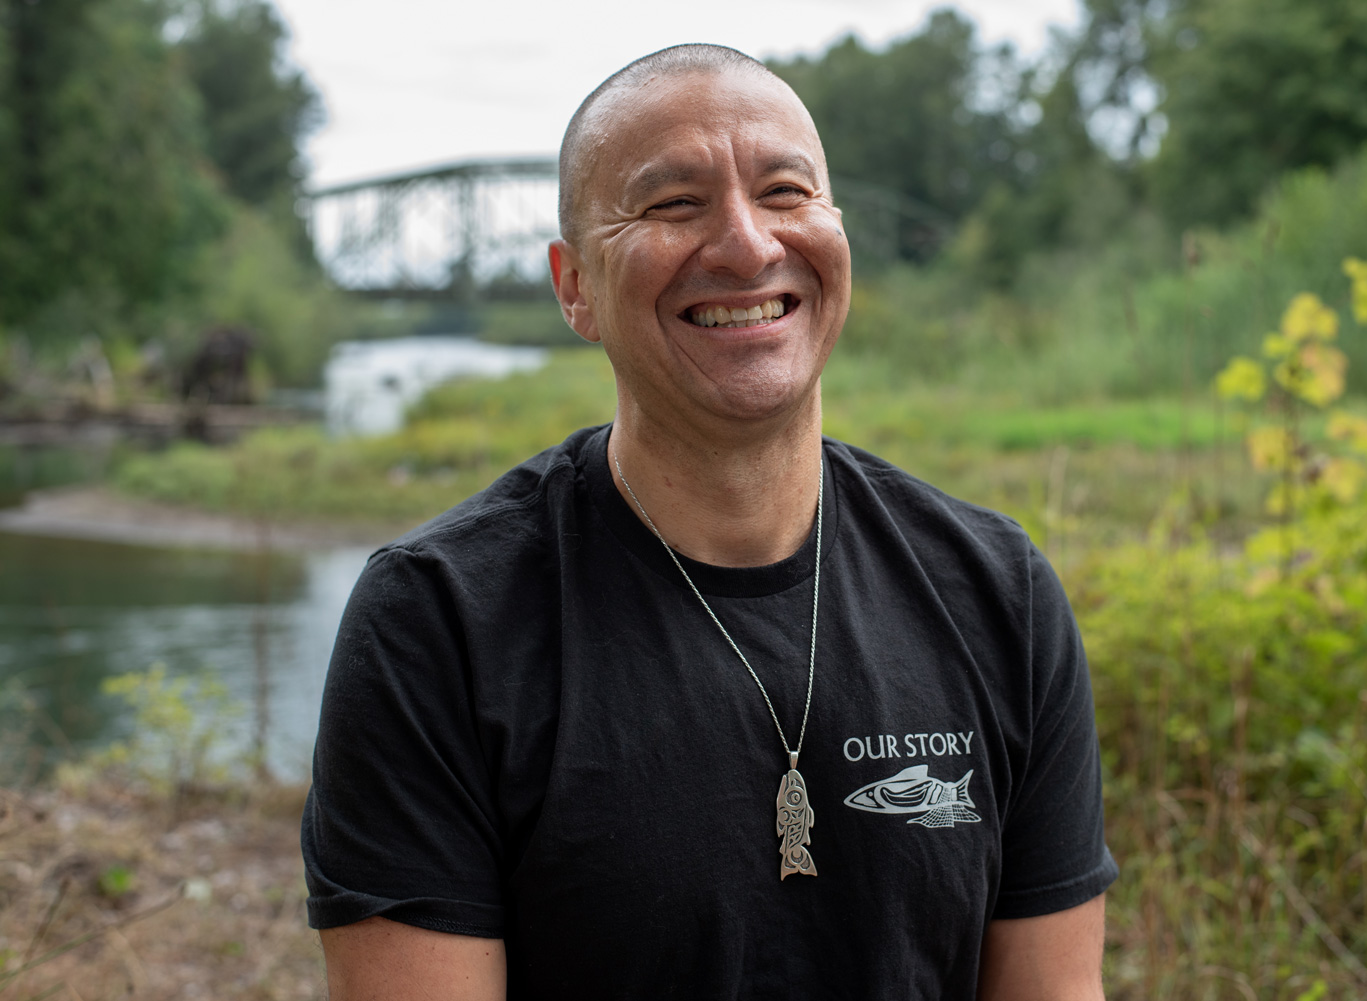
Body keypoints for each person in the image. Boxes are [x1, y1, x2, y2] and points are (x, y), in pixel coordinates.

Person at [302, 43, 1117, 1000]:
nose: (746, 244)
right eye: (674, 204)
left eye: (785, 192)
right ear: (574, 287)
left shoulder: (998, 593)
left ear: (836, 231)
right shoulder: (437, 623)